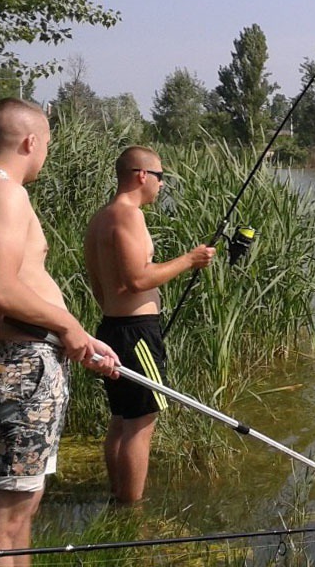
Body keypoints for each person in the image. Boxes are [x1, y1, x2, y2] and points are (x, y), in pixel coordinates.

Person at [0, 97, 120, 563]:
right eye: (46, 144)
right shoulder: (5, 193)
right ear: (30, 141)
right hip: (19, 371)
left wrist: (71, 336)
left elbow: (8, 288)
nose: (45, 154)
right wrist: (69, 324)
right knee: (3, 520)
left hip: (23, 362)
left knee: (20, 512)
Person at [83, 146, 215, 505]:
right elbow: (137, 279)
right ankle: (131, 508)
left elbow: (100, 284)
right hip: (135, 332)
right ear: (142, 175)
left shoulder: (100, 218)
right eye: (160, 177)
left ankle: (117, 495)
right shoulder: (128, 216)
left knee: (121, 418)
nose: (161, 185)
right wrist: (190, 260)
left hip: (111, 326)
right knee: (141, 423)